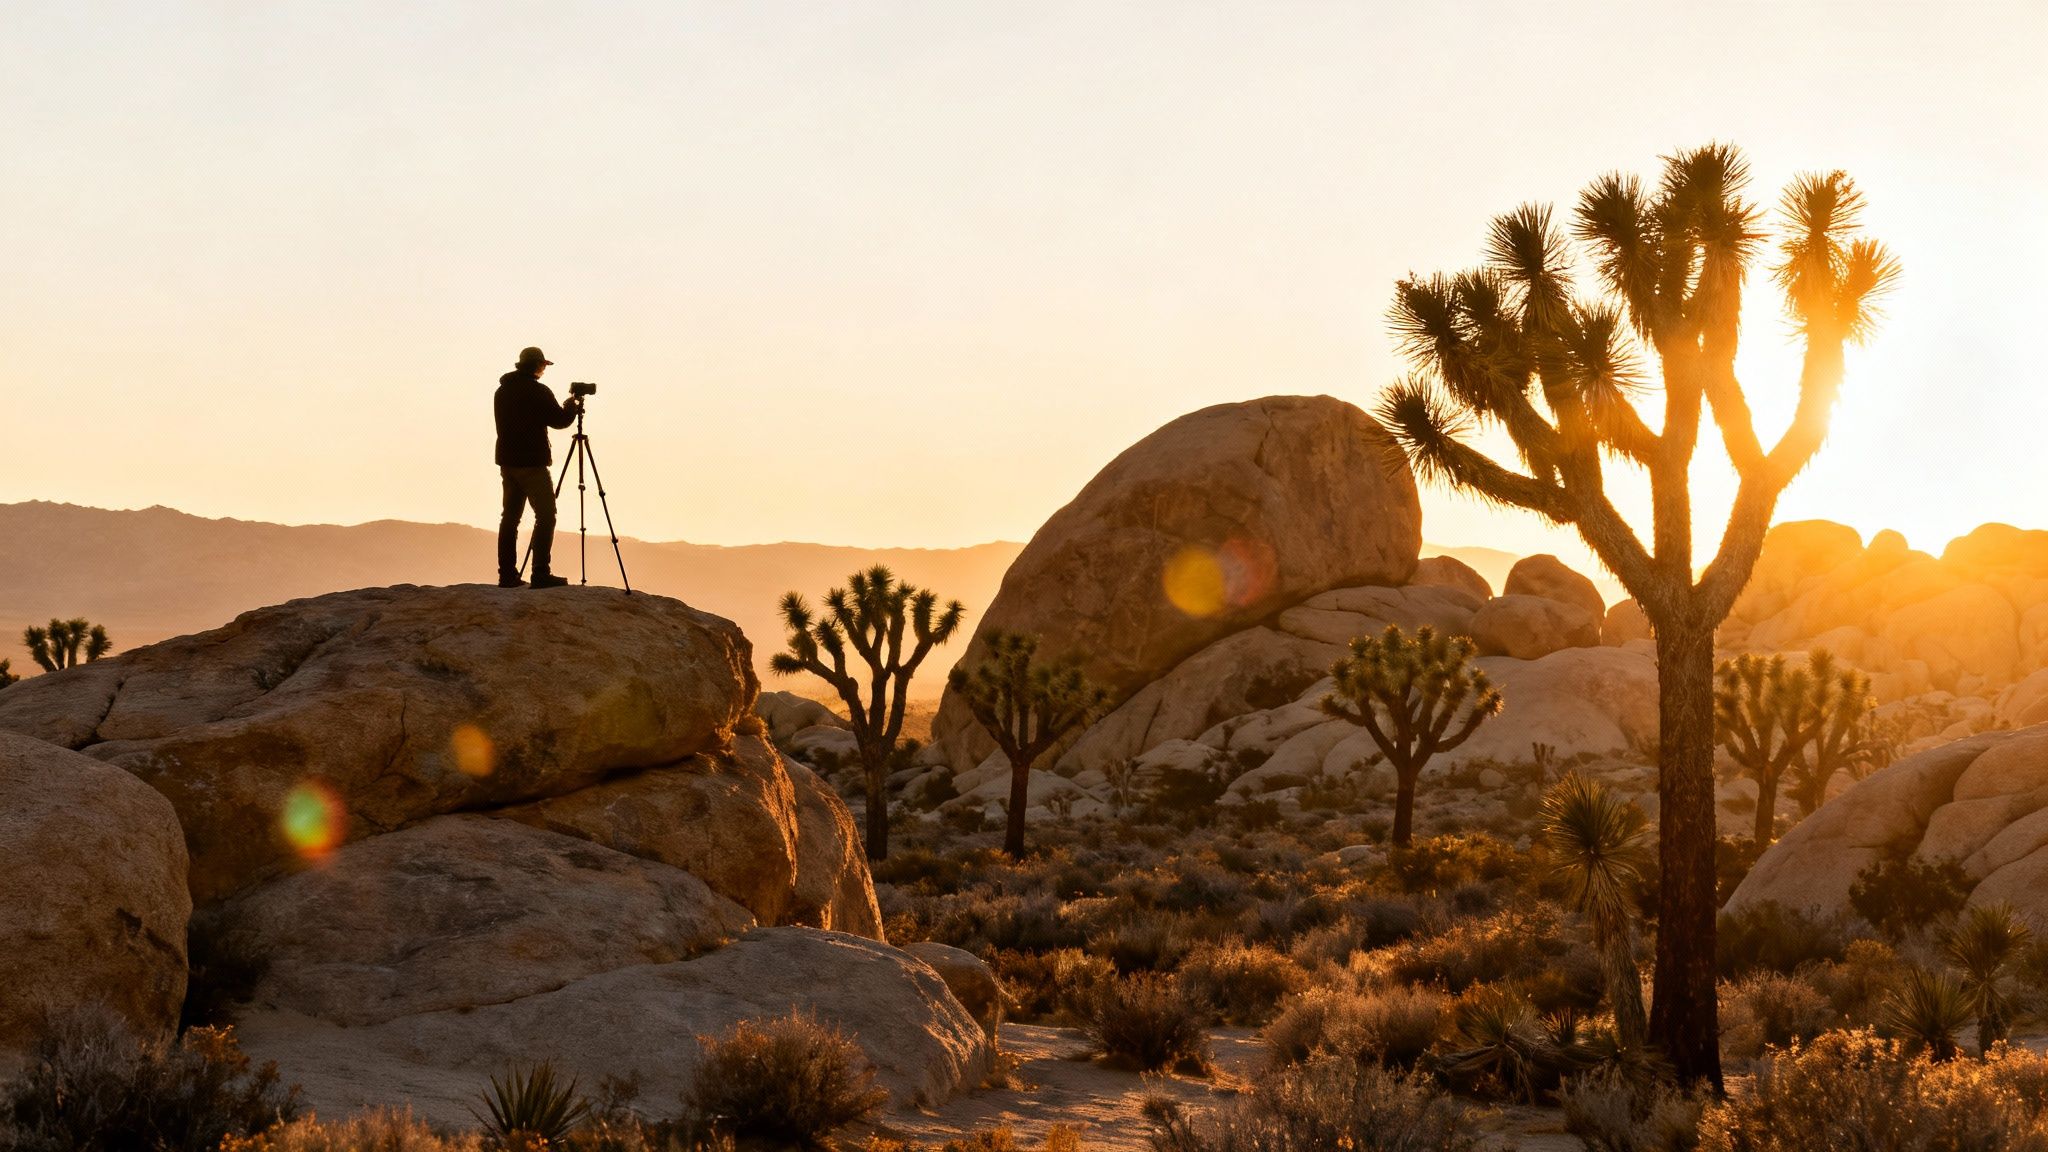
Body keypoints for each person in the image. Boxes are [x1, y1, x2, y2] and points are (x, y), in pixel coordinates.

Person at [494, 346, 582, 588]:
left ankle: (507, 575)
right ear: (537, 366)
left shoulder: (502, 391)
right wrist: (571, 408)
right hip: (532, 463)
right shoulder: (538, 391)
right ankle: (540, 573)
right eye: (544, 365)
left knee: (510, 518)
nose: (545, 369)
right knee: (546, 516)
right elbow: (559, 421)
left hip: (508, 462)